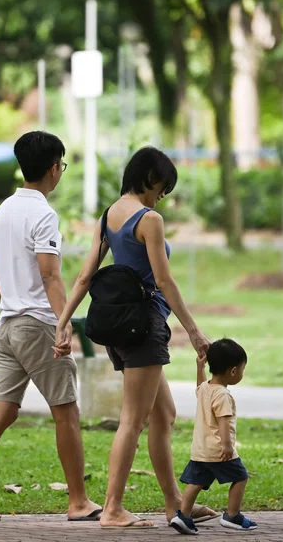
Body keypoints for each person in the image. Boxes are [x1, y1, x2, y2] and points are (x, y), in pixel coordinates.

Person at [54, 146, 217, 529]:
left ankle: (176, 505)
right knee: (133, 420)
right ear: (148, 176)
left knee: (164, 414)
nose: (164, 194)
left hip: (120, 326)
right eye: (163, 185)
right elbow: (164, 280)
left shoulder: (108, 216)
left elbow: (84, 276)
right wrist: (193, 331)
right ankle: (112, 509)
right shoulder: (150, 220)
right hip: (144, 326)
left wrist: (63, 322)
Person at [0, 131, 102, 523]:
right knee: (66, 411)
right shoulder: (43, 214)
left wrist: (12, 306)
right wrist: (63, 322)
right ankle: (78, 501)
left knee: (1, 412)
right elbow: (51, 275)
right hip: (36, 323)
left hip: (7, 325)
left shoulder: (1, 213)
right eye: (62, 167)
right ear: (54, 169)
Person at [175, 339, 257, 534]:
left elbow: (199, 385)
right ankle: (232, 516)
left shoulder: (205, 389)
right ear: (233, 371)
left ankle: (183, 517)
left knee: (195, 483)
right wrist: (228, 446)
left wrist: (199, 368)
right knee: (240, 477)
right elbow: (224, 422)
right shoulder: (223, 395)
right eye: (242, 369)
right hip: (218, 449)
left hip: (200, 449)